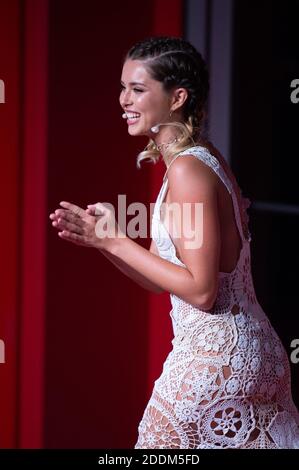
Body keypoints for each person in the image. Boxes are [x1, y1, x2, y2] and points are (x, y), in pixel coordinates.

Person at [49, 36, 299, 449]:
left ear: (177, 97)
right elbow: (162, 278)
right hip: (249, 355)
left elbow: (201, 290)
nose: (123, 99)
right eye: (123, 86)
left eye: (138, 89)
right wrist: (105, 243)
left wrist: (113, 241)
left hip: (216, 357)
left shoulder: (187, 170)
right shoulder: (195, 160)